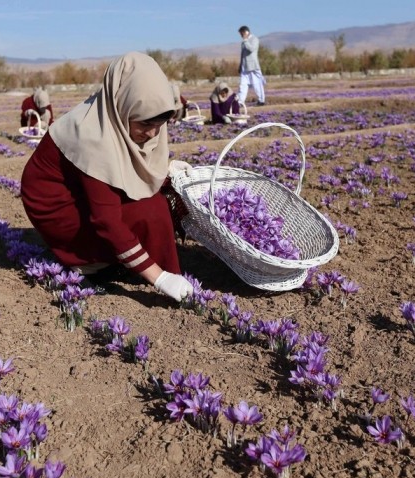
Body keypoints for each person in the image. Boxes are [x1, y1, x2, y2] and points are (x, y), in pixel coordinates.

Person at [20, 52, 194, 302]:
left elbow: (127, 170)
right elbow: (107, 221)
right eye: (144, 125)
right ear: (123, 107)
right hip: (58, 206)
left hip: (81, 189)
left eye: (160, 123)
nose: (153, 133)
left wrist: (165, 171)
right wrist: (160, 278)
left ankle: (129, 260)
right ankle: (86, 264)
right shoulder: (94, 137)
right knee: (149, 211)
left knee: (156, 199)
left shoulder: (119, 115)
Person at [237, 25, 266, 106]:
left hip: (253, 66)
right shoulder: (244, 41)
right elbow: (242, 55)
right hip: (244, 67)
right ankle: (240, 102)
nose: (241, 36)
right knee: (243, 85)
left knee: (257, 84)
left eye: (241, 34)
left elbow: (251, 49)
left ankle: (261, 100)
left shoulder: (254, 39)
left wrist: (246, 40)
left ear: (245, 32)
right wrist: (240, 65)